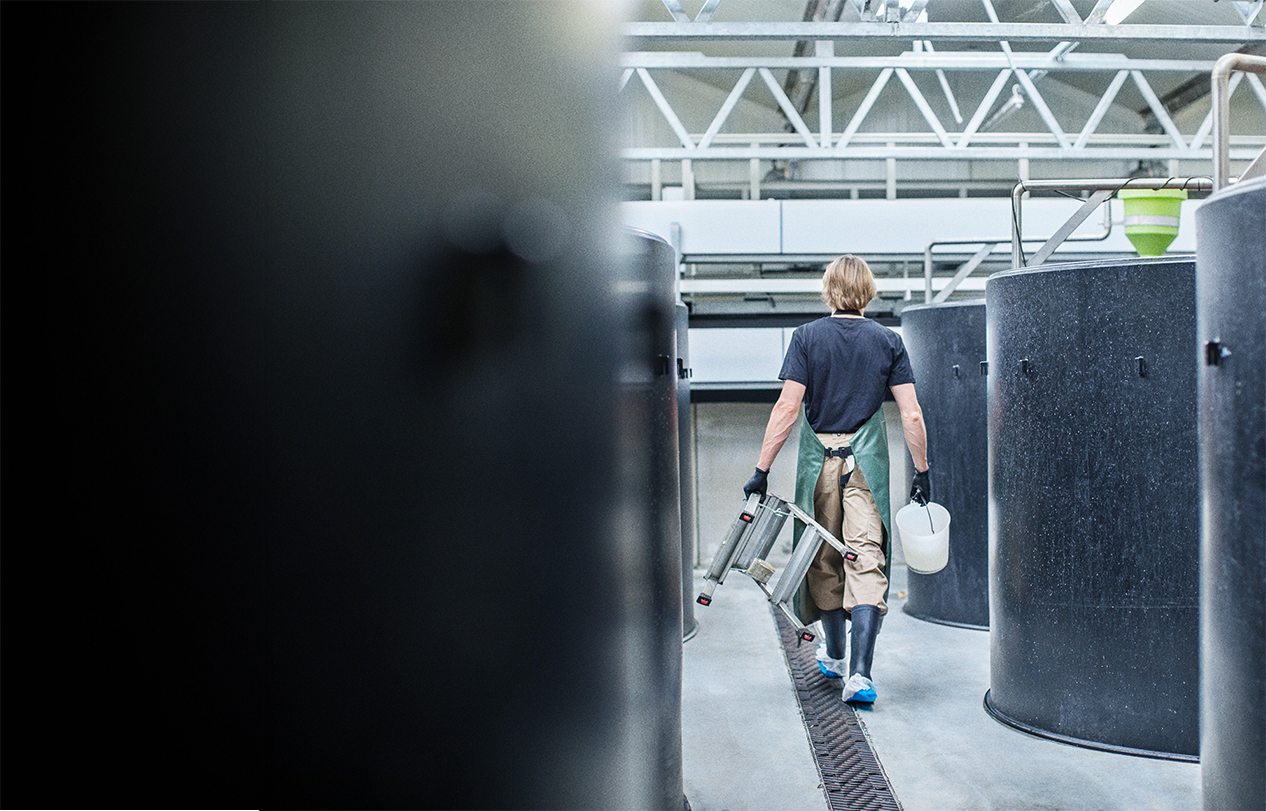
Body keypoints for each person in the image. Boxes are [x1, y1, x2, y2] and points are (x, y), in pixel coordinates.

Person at [743, 254, 930, 705]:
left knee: (822, 555)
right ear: (868, 292)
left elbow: (787, 409)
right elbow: (911, 412)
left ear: (829, 291)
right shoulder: (888, 341)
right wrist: (923, 472)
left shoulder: (807, 338)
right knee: (866, 558)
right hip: (864, 467)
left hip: (818, 465)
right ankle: (859, 675)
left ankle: (836, 653)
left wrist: (761, 470)